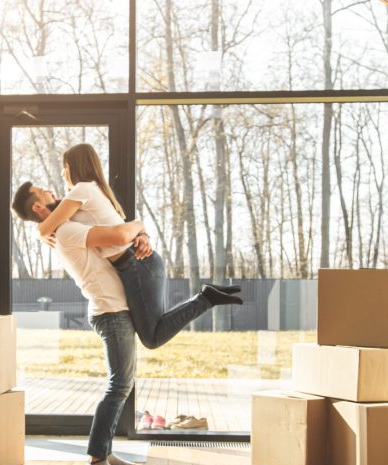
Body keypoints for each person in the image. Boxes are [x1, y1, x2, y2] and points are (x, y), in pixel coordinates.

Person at [36, 143, 242, 349]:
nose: (63, 173)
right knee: (153, 332)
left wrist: (43, 233)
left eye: (66, 167)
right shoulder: (92, 192)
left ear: (76, 167)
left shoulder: (83, 190)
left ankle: (206, 299)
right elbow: (54, 223)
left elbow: (46, 228)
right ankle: (206, 298)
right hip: (137, 265)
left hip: (138, 265)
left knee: (152, 338)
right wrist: (143, 232)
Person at [12, 181, 145, 465]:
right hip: (110, 311)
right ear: (37, 206)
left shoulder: (63, 228)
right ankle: (97, 459)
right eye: (43, 191)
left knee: (122, 384)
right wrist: (140, 223)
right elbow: (120, 234)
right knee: (119, 385)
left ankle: (105, 450)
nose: (51, 190)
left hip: (112, 309)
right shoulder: (68, 231)